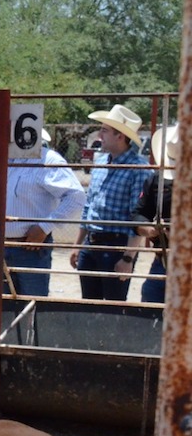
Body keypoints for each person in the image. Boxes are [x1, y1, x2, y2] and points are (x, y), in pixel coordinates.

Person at [0, 134, 86, 298]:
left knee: (32, 303)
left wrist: (45, 227)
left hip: (31, 248)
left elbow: (76, 197)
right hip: (1, 247)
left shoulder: (48, 160)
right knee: (3, 304)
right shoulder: (7, 159)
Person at [70, 104, 154, 300]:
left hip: (117, 245)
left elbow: (138, 218)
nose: (100, 135)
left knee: (113, 307)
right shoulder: (100, 163)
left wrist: (128, 257)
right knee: (88, 304)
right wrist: (77, 245)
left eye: (105, 130)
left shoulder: (139, 169)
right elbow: (89, 207)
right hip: (91, 244)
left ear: (120, 136)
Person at [131, 126, 176, 304]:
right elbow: (139, 213)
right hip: (163, 260)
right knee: (151, 299)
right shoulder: (156, 180)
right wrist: (150, 230)